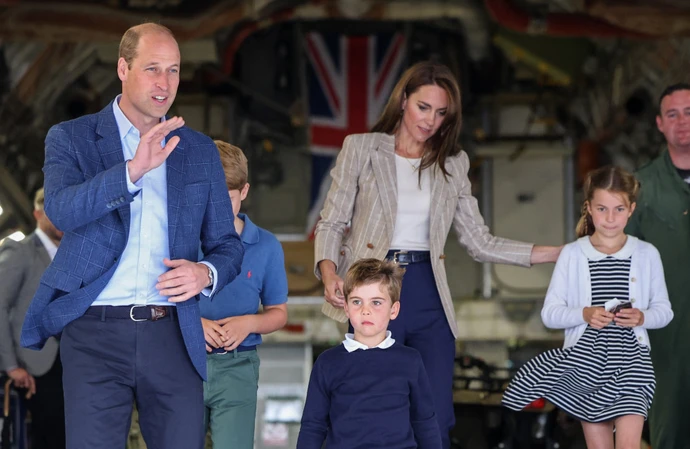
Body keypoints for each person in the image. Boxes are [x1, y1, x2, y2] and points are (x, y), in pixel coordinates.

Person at [313, 61, 561, 448]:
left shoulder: (452, 163)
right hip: (376, 289)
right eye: (423, 107)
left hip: (429, 291)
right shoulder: (361, 148)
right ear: (403, 100)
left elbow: (479, 242)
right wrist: (329, 274)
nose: (431, 120)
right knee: (377, 406)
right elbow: (331, 223)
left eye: (441, 112)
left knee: (437, 414)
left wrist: (558, 253)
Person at [19, 23, 244, 449]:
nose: (165, 83)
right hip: (94, 333)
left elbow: (227, 244)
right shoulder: (72, 138)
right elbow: (61, 209)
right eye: (153, 68)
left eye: (174, 70)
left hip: (173, 332)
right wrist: (131, 171)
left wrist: (205, 272)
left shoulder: (197, 151)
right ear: (123, 68)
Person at [502, 166, 673, 449]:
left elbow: (664, 310)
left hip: (633, 360)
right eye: (602, 209)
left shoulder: (647, 254)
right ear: (589, 209)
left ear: (631, 209)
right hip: (586, 362)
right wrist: (584, 314)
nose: (610, 218)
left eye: (619, 209)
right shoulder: (572, 254)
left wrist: (642, 316)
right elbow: (550, 313)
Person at [297, 258, 441, 449]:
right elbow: (313, 426)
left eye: (376, 302)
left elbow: (425, 422)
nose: (366, 311)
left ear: (394, 310)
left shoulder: (410, 360)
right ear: (346, 308)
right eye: (357, 302)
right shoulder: (328, 363)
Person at [200, 140, 288, 448]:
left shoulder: (266, 246)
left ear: (245, 192)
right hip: (184, 362)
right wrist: (194, 324)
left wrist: (248, 323)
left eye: (227, 199)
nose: (217, 209)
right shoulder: (181, 243)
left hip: (238, 366)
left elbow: (278, 312)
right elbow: (160, 303)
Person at [625, 82, 690, 449]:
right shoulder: (640, 189)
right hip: (668, 346)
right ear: (660, 124)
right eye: (673, 114)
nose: (683, 122)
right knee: (672, 433)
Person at [0, 188, 65, 449]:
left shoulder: (75, 255)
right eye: (53, 212)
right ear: (38, 214)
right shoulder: (21, 251)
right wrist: (11, 365)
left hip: (73, 360)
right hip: (35, 365)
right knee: (48, 437)